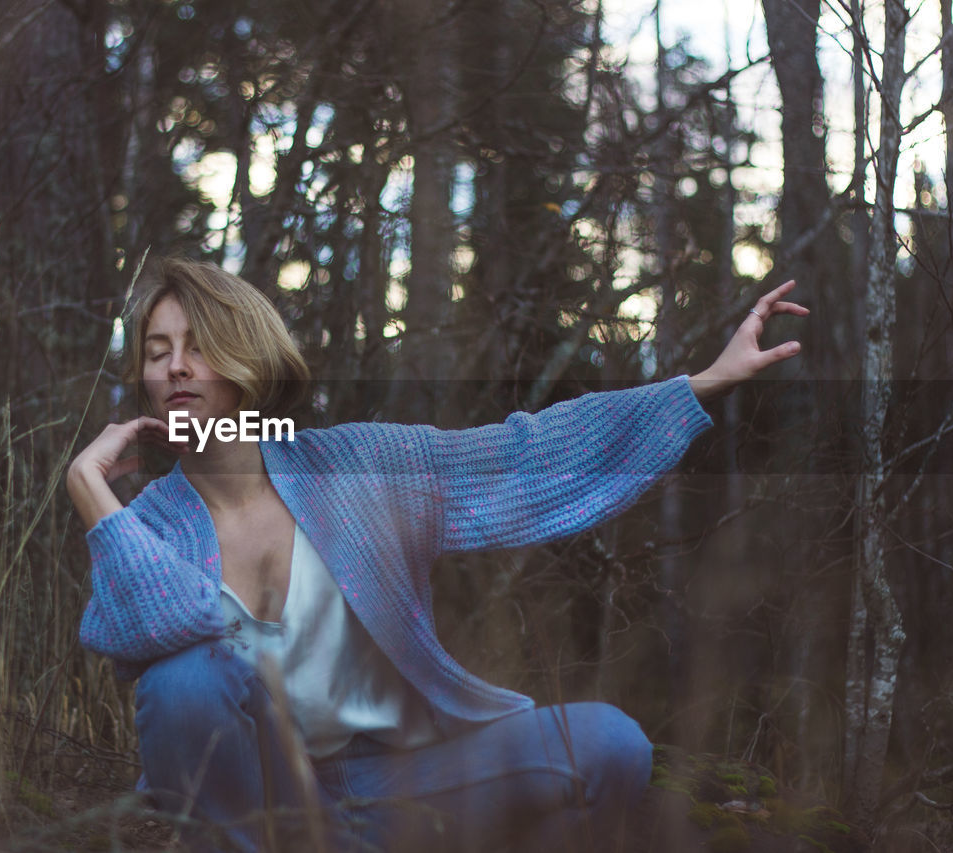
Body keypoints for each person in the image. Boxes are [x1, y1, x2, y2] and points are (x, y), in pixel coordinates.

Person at [66, 258, 807, 852]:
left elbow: (522, 454)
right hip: (274, 814)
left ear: (247, 358)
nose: (175, 368)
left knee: (611, 742)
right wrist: (91, 490)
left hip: (414, 782)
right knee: (183, 679)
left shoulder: (356, 468)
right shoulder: (150, 523)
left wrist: (704, 383)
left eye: (197, 345)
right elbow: (150, 638)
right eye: (158, 353)